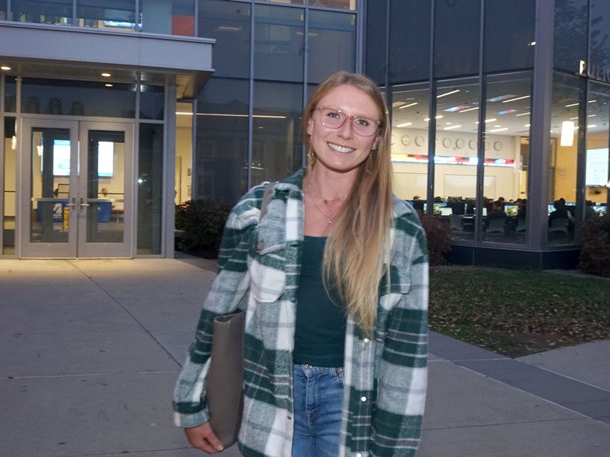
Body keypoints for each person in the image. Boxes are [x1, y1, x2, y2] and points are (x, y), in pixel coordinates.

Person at [173, 71, 429, 457]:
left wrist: (396, 447)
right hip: (270, 396)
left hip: (351, 406)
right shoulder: (258, 210)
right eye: (333, 115)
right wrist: (190, 402)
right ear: (310, 123)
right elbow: (220, 313)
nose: (345, 132)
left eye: (362, 122)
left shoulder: (399, 225)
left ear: (377, 139)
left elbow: (407, 350)